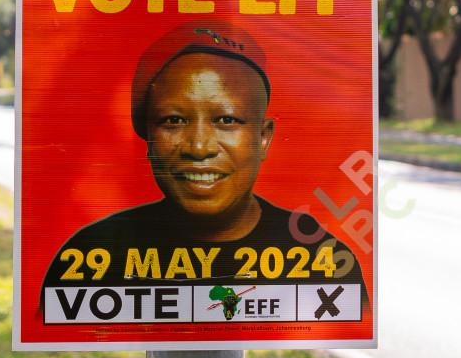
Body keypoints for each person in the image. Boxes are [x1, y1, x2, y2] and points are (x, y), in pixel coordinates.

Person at [39, 22, 355, 307]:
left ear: (263, 138)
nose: (199, 147)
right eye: (173, 121)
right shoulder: (90, 257)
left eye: (227, 120)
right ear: (149, 139)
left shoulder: (324, 259)